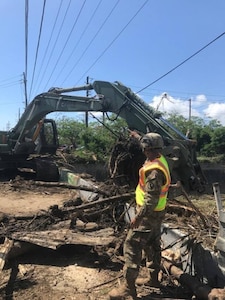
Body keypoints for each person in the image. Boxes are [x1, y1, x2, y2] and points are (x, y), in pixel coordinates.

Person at [108, 132, 171, 300]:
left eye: (144, 147)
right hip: (157, 214)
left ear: (147, 149)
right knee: (152, 245)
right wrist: (137, 136)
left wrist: (139, 217)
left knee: (131, 246)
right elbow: (150, 141)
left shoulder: (154, 172)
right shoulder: (160, 159)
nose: (142, 150)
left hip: (148, 215)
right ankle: (153, 278)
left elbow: (150, 200)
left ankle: (128, 288)